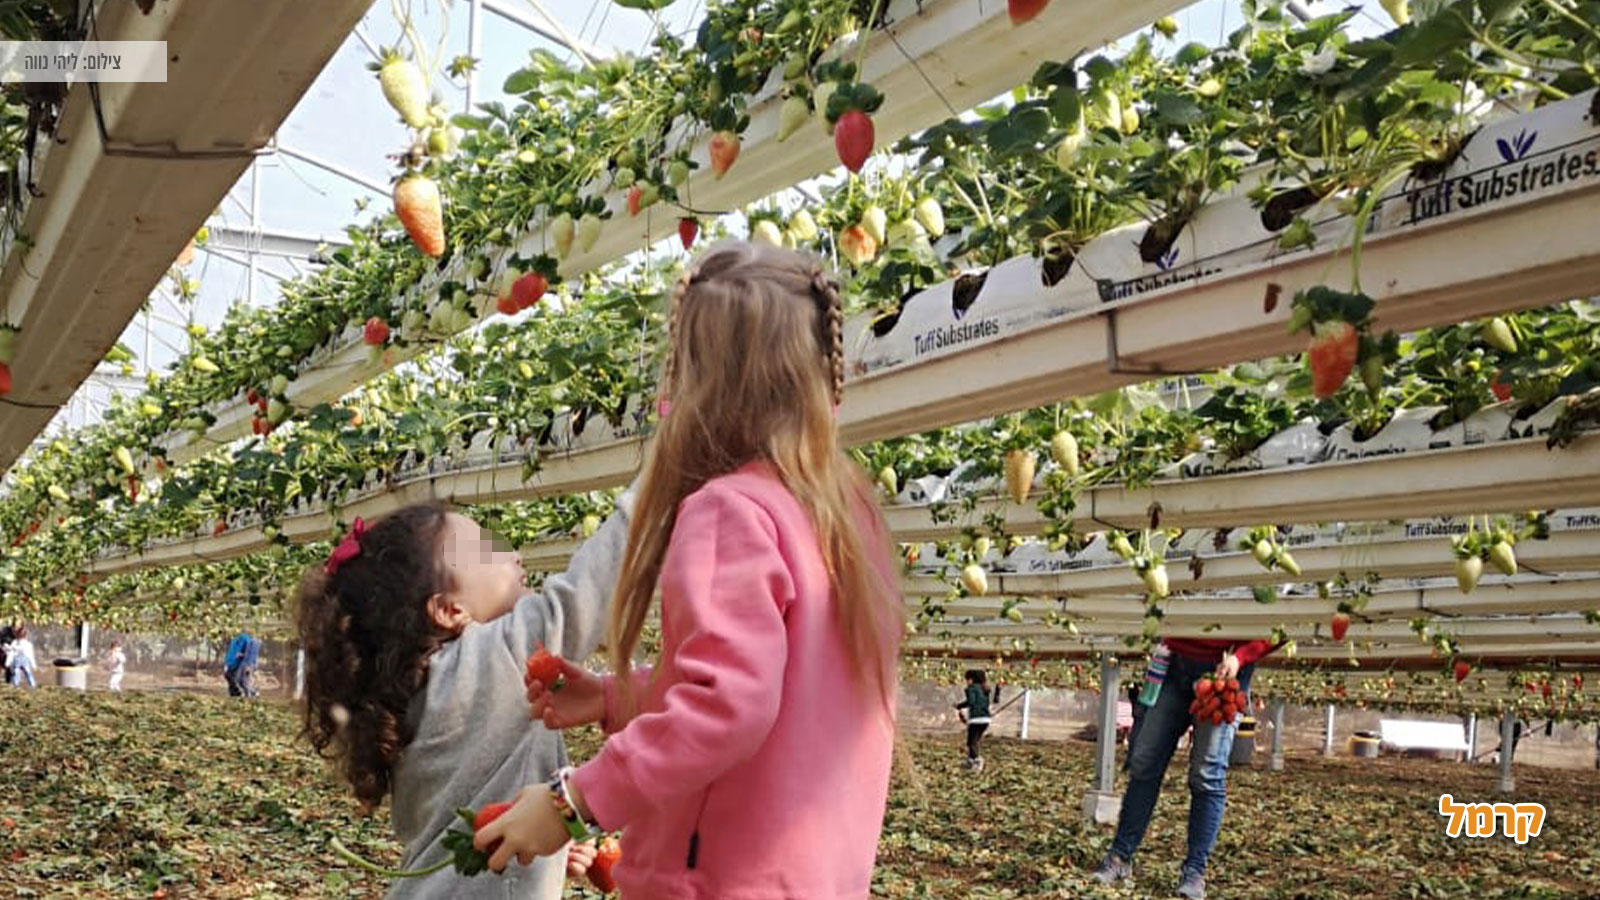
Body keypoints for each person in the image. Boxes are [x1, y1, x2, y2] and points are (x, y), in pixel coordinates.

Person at [475, 242, 904, 899]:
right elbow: (770, 689)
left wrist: (573, 802)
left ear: (700, 379)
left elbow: (726, 707)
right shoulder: (846, 514)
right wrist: (617, 697)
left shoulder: (730, 510)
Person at [295, 475, 640, 900]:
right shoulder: (482, 662)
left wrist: (559, 837)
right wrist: (655, 489)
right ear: (449, 609)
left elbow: (485, 791)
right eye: (487, 547)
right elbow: (584, 595)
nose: (511, 550)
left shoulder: (425, 697)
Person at [1094, 636, 1280, 900]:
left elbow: (1280, 628)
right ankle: (1120, 856)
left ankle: (1194, 871)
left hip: (1224, 670)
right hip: (1174, 664)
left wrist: (1240, 657)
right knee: (1145, 763)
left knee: (1207, 773)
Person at [955, 669, 995, 771]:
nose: (966, 682)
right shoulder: (985, 689)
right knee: (974, 741)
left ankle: (977, 761)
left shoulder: (971, 688)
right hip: (985, 719)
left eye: (967, 679)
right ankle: (970, 760)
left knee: (972, 742)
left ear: (971, 679)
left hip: (976, 719)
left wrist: (959, 706)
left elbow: (971, 702)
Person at [224, 631, 250, 697]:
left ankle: (239, 693)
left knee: (236, 680)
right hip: (231, 663)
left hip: (238, 664)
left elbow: (249, 651)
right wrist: (226, 663)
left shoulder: (244, 638)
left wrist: (242, 655)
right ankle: (234, 694)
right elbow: (231, 652)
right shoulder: (234, 640)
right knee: (228, 676)